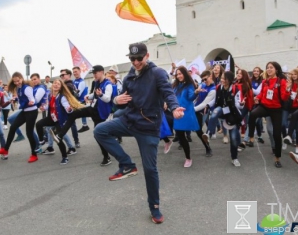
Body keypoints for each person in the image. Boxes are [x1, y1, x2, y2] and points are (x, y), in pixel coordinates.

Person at [93, 43, 185, 224]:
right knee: (100, 130)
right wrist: (116, 100)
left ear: (147, 56)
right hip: (129, 121)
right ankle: (127, 164)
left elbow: (168, 93)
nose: (135, 62)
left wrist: (174, 108)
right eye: (132, 59)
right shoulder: (129, 77)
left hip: (149, 128)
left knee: (150, 170)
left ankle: (155, 207)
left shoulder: (157, 73)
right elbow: (122, 100)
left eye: (139, 58)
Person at [54, 65, 113, 164]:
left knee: (98, 135)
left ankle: (106, 157)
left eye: (95, 73)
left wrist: (100, 95)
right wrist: (88, 96)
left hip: (101, 113)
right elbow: (94, 95)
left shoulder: (108, 84)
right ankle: (60, 135)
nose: (94, 75)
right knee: (73, 114)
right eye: (93, 73)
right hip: (93, 109)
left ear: (102, 72)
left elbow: (107, 98)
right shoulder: (97, 82)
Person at [248, 62, 290, 168]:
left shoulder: (281, 81)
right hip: (265, 107)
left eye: (271, 67)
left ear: (276, 69)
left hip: (276, 109)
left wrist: (288, 89)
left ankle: (277, 158)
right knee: (252, 114)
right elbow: (262, 93)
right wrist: (257, 98)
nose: (269, 69)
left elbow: (284, 97)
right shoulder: (265, 81)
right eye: (267, 68)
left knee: (276, 134)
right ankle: (251, 137)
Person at [36, 78, 84, 164]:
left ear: (61, 87)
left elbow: (67, 108)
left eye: (58, 84)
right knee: (38, 124)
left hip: (60, 120)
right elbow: (49, 105)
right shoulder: (50, 95)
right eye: (54, 83)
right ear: (52, 85)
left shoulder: (62, 97)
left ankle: (65, 157)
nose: (56, 85)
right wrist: (44, 108)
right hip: (51, 118)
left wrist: (69, 109)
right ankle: (41, 140)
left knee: (58, 139)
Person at [0, 72, 39, 163]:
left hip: (31, 111)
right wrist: (16, 99)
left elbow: (32, 99)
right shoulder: (18, 88)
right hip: (25, 111)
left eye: (18, 81)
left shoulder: (27, 88)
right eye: (15, 82)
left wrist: (32, 102)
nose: (17, 83)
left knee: (29, 133)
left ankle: (34, 154)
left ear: (21, 78)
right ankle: (5, 149)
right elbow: (22, 98)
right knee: (13, 127)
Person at [171, 66, 199, 168]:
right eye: (177, 74)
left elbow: (190, 97)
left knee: (197, 133)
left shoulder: (190, 85)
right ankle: (188, 157)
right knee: (181, 136)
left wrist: (196, 93)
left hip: (186, 113)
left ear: (185, 74)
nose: (178, 76)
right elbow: (171, 96)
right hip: (177, 113)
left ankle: (188, 158)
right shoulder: (175, 85)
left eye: (180, 73)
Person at [59, 69, 80, 148]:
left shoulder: (68, 85)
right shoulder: (71, 84)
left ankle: (73, 143)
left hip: (68, 107)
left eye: (63, 75)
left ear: (69, 75)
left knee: (70, 124)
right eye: (61, 75)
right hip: (68, 107)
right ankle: (76, 141)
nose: (62, 76)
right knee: (71, 124)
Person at [73, 66, 90, 133]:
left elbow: (78, 94)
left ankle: (85, 125)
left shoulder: (81, 81)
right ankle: (85, 125)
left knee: (77, 114)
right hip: (76, 101)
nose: (74, 73)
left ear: (80, 71)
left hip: (81, 101)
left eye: (76, 71)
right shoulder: (74, 81)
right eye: (73, 72)